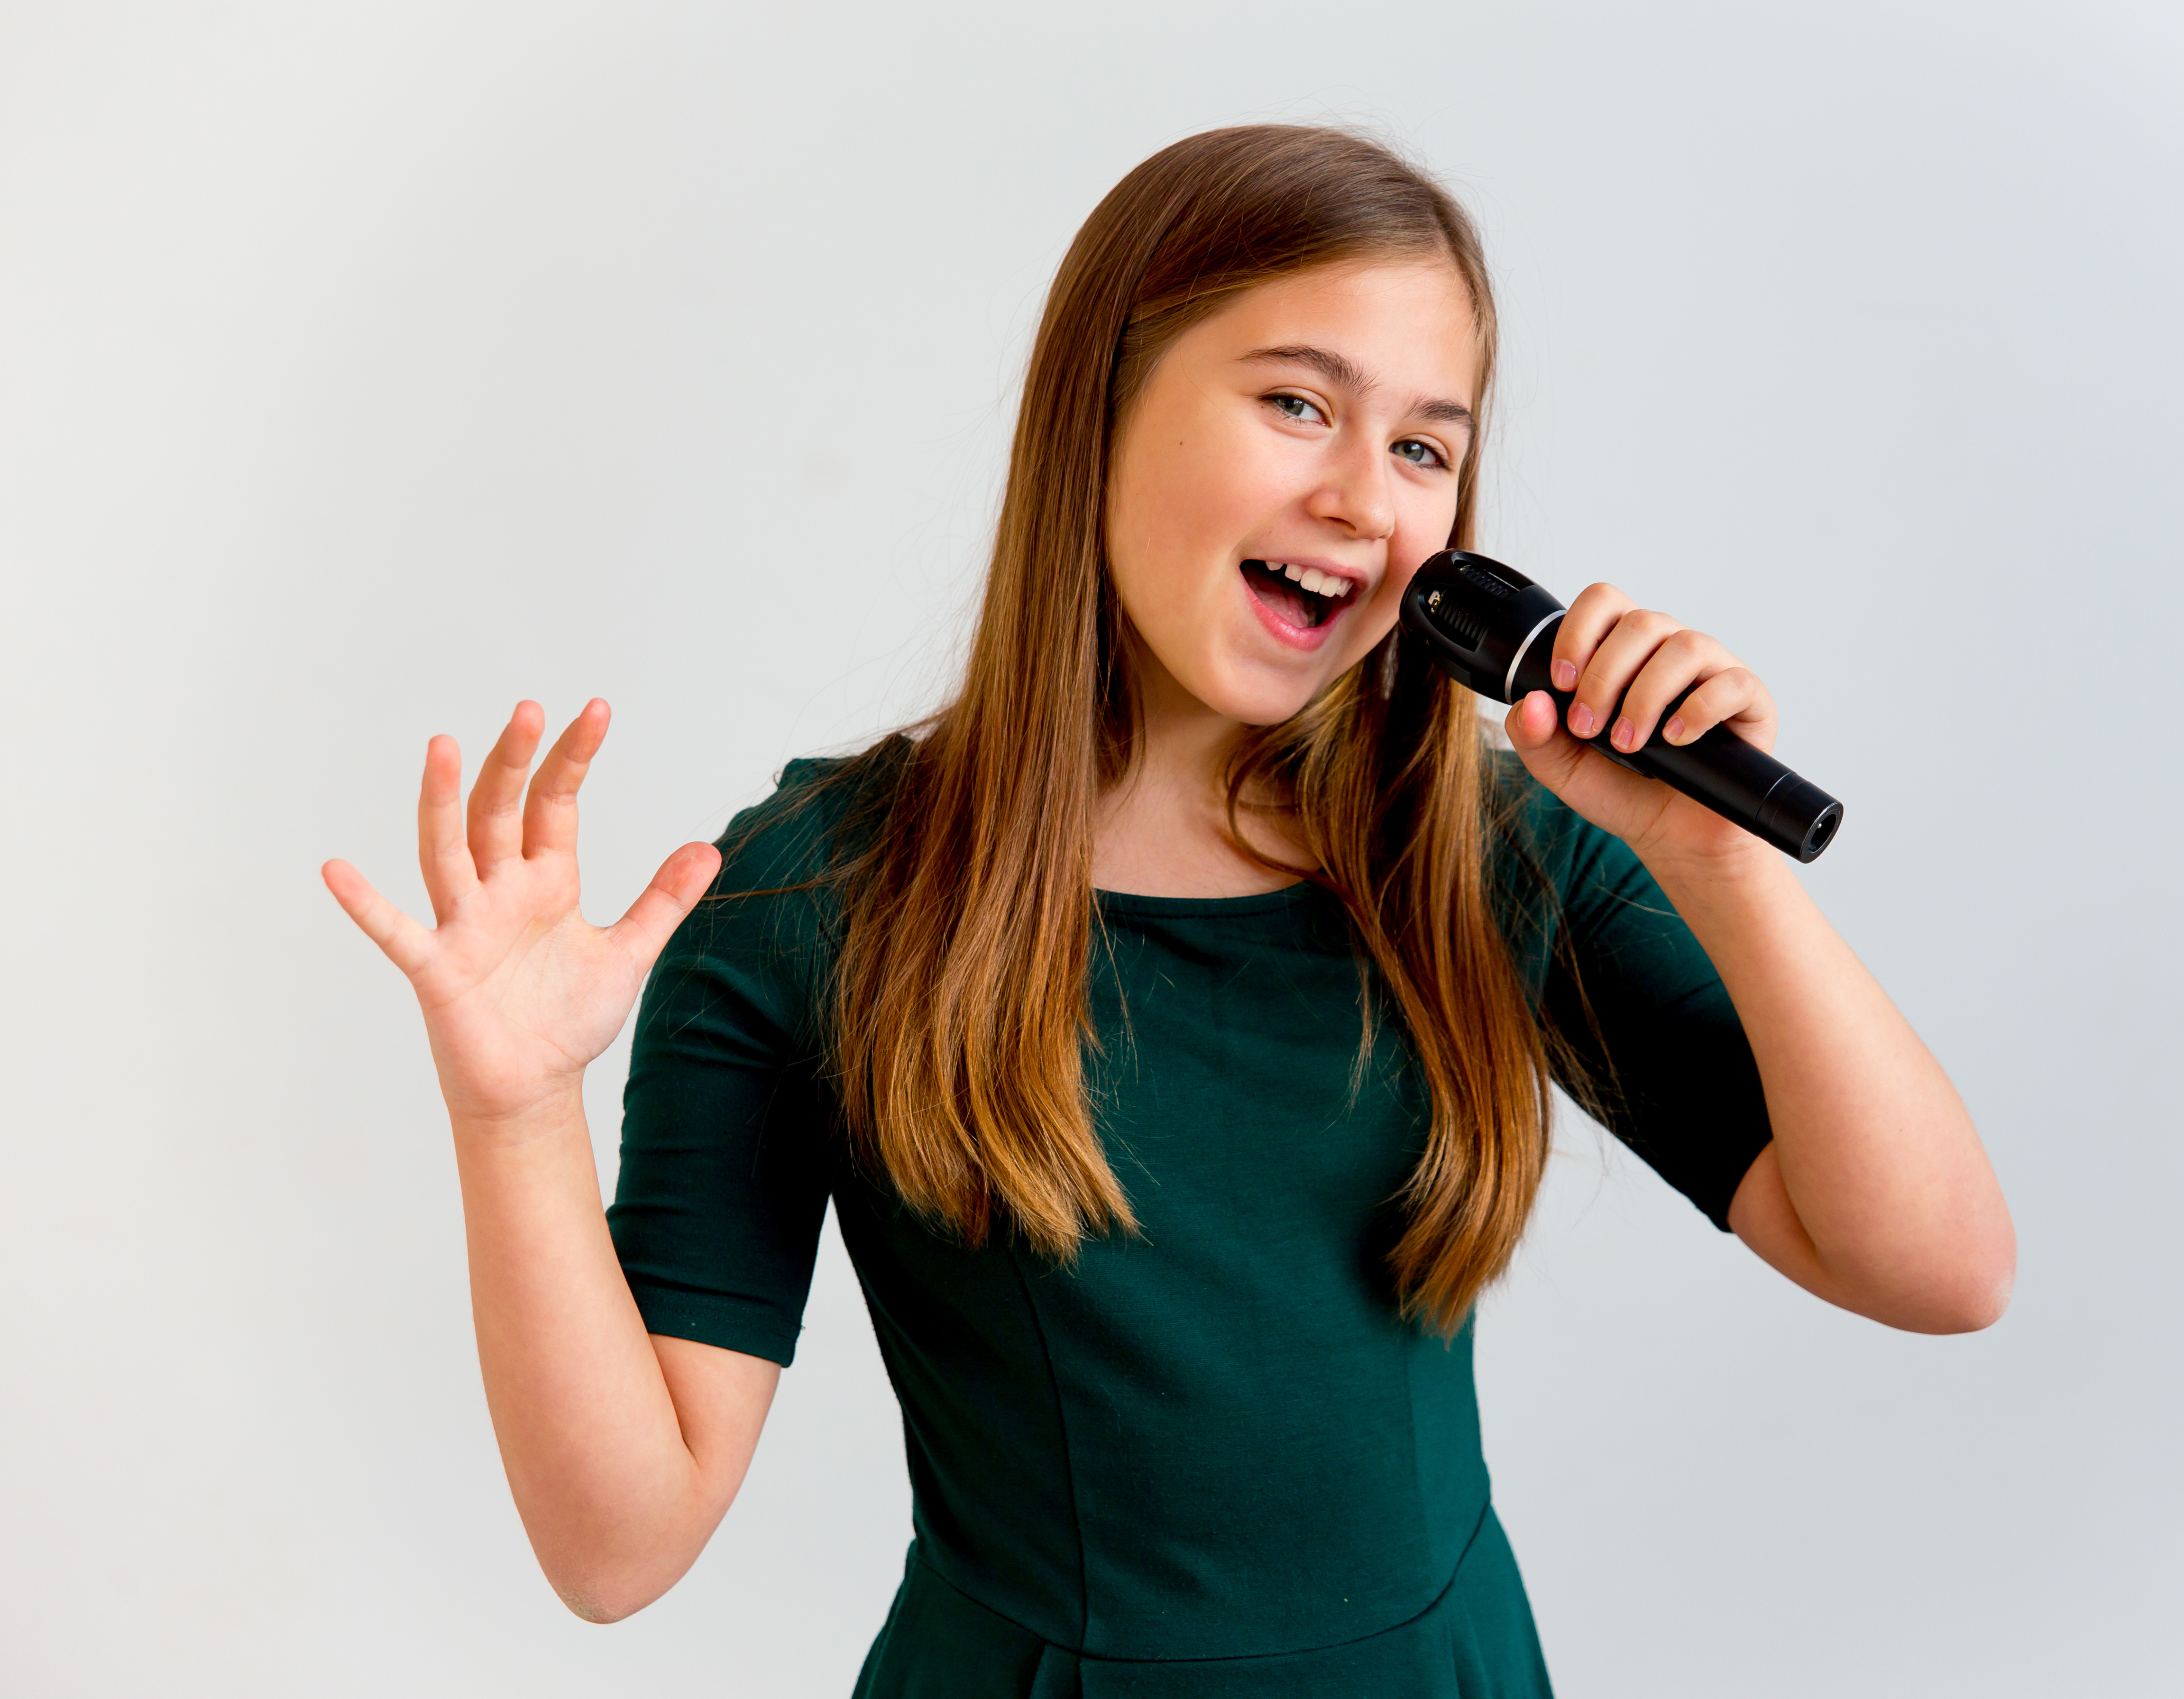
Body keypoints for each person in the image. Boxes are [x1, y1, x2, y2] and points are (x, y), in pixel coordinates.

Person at [322, 124, 2013, 1697]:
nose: (1370, 495)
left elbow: (1939, 1270)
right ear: (1102, 411)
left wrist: (1723, 872)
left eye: (1428, 444)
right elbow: (621, 1548)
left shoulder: (1481, 850)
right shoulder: (816, 893)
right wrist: (517, 1117)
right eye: (1299, 404)